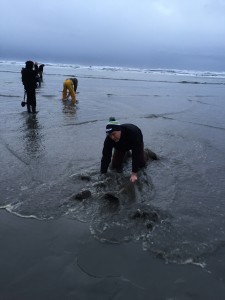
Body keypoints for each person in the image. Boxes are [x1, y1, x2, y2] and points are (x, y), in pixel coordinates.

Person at [100, 118, 157, 183]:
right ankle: (127, 153)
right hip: (120, 146)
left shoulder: (133, 133)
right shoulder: (109, 139)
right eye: (109, 135)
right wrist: (103, 174)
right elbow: (106, 156)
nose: (112, 137)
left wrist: (134, 174)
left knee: (141, 164)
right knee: (115, 166)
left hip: (136, 142)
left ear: (119, 130)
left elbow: (136, 153)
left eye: (113, 134)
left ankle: (146, 152)